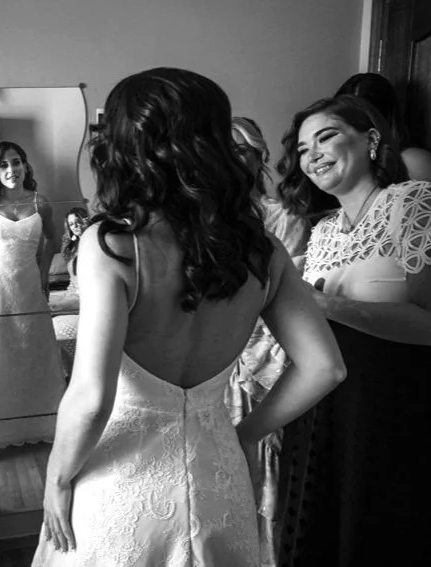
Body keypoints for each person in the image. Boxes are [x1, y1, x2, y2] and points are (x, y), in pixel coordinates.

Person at [31, 67, 345, 566]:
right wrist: (243, 434)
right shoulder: (262, 250)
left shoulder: (114, 245)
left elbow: (91, 399)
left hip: (123, 487)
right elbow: (325, 367)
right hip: (218, 477)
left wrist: (56, 478)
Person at [276, 94, 431, 566]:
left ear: (371, 140)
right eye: (303, 150)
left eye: (326, 137)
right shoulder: (322, 231)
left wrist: (327, 304)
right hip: (323, 404)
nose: (313, 155)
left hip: (393, 401)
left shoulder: (413, 201)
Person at [226, 116, 310, 567]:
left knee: (263, 461)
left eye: (243, 150)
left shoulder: (285, 218)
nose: (233, 158)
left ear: (260, 157)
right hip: (215, 360)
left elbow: (288, 298)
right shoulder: (204, 221)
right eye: (225, 149)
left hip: (264, 357)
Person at [0, 141, 65, 447]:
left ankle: (42, 423)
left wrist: (43, 273)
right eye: (3, 165)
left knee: (33, 351)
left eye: (16, 162)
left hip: (29, 286)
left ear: (25, 165)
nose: (11, 169)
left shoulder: (41, 202)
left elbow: (53, 239)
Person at [335, 72, 431, 181]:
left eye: (362, 120)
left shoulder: (412, 161)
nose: (350, 128)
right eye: (344, 118)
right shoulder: (342, 160)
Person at [52, 207, 89, 377]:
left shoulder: (95, 245)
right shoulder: (73, 248)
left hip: (86, 297)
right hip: (73, 293)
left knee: (49, 308)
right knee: (44, 303)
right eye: (72, 224)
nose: (76, 226)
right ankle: (66, 372)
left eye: (79, 221)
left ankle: (73, 372)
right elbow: (72, 282)